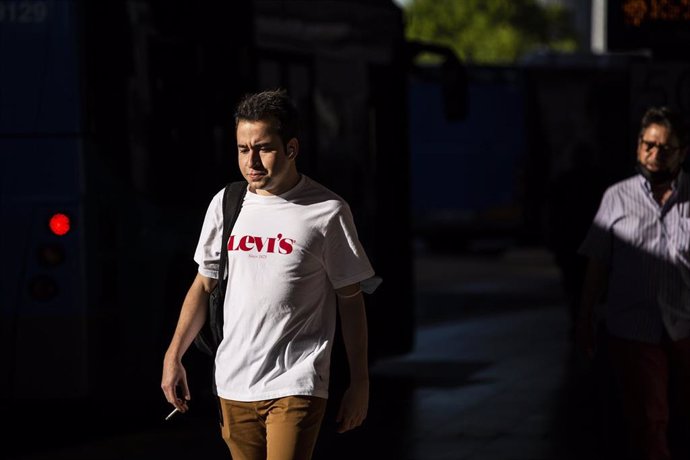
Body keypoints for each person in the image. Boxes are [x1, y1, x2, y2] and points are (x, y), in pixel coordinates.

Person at [161, 88, 379, 460]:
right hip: (233, 382)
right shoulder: (227, 203)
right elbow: (204, 284)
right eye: (243, 149)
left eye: (263, 148)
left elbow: (350, 300)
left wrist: (360, 383)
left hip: (297, 381)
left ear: (291, 149)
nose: (252, 162)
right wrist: (173, 355)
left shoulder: (327, 211)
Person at [577, 106, 690, 460]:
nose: (654, 155)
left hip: (684, 326)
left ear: (682, 153)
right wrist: (584, 319)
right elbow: (598, 262)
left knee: (681, 419)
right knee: (649, 419)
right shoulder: (616, 197)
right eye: (648, 145)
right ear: (638, 145)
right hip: (633, 327)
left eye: (665, 148)